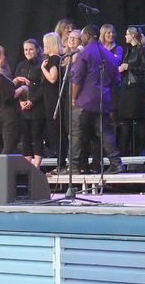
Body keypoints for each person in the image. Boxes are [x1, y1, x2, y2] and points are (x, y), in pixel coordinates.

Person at [71, 25, 124, 174]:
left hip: (85, 100)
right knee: (104, 132)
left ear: (87, 36)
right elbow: (117, 81)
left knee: (78, 133)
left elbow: (78, 78)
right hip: (103, 99)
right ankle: (116, 163)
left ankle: (75, 166)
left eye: (82, 36)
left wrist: (74, 98)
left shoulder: (84, 54)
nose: (81, 39)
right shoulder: (109, 55)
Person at [117, 26, 145, 163]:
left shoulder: (143, 50)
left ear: (132, 35)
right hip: (126, 87)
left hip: (136, 88)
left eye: (127, 34)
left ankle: (144, 148)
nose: (125, 36)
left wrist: (128, 67)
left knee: (138, 119)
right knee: (125, 120)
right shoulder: (128, 51)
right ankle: (123, 150)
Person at [14, 38, 47, 170]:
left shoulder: (42, 64)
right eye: (26, 49)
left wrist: (32, 101)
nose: (28, 52)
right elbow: (16, 85)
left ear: (37, 50)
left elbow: (43, 87)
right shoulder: (21, 65)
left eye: (31, 49)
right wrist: (21, 102)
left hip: (38, 106)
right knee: (25, 137)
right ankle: (28, 166)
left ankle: (36, 167)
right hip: (23, 107)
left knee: (37, 136)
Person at [40, 32, 65, 171]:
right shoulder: (54, 59)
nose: (44, 45)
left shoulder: (54, 59)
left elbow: (52, 78)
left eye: (45, 43)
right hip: (50, 99)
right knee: (55, 131)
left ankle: (60, 163)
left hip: (54, 100)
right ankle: (60, 161)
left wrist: (43, 68)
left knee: (57, 131)